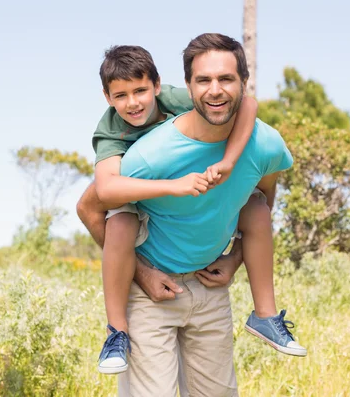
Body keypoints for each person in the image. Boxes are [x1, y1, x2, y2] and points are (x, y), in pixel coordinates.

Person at [76, 43, 304, 375]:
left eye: (141, 90)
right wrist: (175, 185)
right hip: (137, 192)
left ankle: (265, 315)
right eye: (121, 96)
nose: (133, 102)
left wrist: (228, 162)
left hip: (190, 232)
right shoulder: (112, 128)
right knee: (121, 220)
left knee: (256, 207)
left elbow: (248, 105)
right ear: (107, 97)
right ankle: (116, 332)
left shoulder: (181, 99)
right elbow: (106, 191)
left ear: (157, 85)